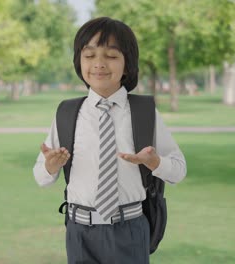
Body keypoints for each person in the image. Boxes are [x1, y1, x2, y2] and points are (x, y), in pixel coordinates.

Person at [33, 16, 187, 264]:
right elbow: (41, 177)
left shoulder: (144, 112)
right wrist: (51, 165)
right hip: (79, 232)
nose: (99, 64)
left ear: (127, 65)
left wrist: (154, 162)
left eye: (111, 56)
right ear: (79, 62)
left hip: (130, 229)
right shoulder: (67, 113)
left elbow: (178, 171)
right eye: (90, 55)